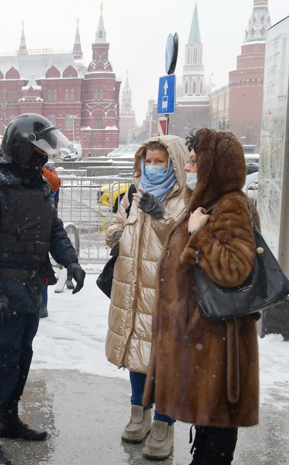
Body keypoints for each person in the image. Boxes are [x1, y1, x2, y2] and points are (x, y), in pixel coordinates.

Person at [0, 114, 86, 465]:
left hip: (31, 286)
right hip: (1, 289)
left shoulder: (39, 186)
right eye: (38, 148)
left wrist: (71, 262)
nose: (44, 155)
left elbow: (55, 231)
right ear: (21, 148)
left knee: (21, 357)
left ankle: (9, 419)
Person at [143, 129, 259, 465]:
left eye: (196, 161)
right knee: (207, 422)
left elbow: (234, 268)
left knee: (218, 422)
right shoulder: (207, 203)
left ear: (214, 165)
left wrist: (199, 233)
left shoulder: (231, 206)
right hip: (203, 335)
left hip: (220, 340)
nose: (190, 166)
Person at [103, 136, 189, 460]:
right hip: (131, 286)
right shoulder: (133, 193)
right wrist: (113, 235)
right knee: (136, 351)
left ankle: (165, 424)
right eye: (148, 161)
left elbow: (183, 240)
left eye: (160, 161)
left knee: (164, 359)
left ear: (174, 163)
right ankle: (139, 413)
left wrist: (159, 215)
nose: (152, 167)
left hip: (166, 293)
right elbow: (117, 222)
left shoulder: (184, 200)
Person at [38, 165, 62, 319]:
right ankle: (41, 305)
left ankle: (42, 305)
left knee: (40, 267)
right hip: (40, 226)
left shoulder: (47, 171)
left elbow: (54, 185)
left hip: (42, 227)